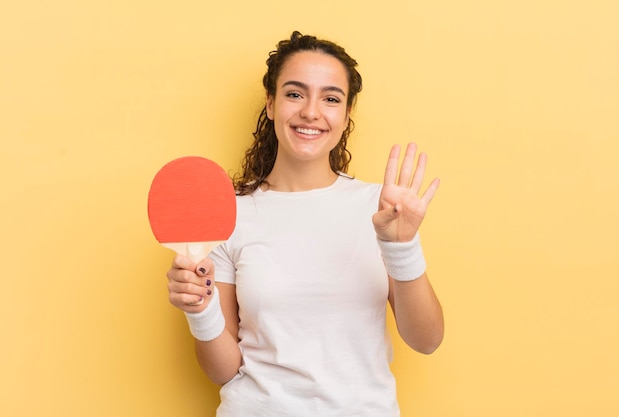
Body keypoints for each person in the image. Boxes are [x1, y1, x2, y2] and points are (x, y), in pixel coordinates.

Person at [166, 31, 444, 416]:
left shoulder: (381, 208)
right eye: (295, 94)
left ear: (346, 115)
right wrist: (201, 309)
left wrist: (402, 249)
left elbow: (426, 340)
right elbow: (223, 370)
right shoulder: (231, 214)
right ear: (270, 103)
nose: (311, 112)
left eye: (331, 98)